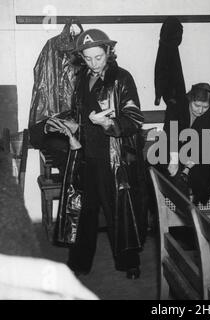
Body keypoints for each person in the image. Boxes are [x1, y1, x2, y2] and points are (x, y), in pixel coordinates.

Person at [42, 29, 147, 279]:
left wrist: (107, 124)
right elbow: (80, 116)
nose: (93, 63)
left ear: (108, 53)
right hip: (85, 155)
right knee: (83, 212)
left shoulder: (121, 78)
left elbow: (134, 118)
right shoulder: (81, 79)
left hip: (113, 158)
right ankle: (78, 263)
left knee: (118, 211)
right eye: (88, 58)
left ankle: (129, 263)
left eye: (98, 57)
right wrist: (70, 126)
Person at [163, 83, 210, 205]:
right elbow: (170, 134)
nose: (200, 110)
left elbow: (203, 143)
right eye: (197, 105)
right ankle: (184, 213)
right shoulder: (175, 106)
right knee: (170, 170)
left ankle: (191, 210)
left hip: (195, 151)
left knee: (202, 170)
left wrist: (187, 168)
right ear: (190, 99)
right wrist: (174, 160)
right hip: (171, 146)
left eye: (205, 107)